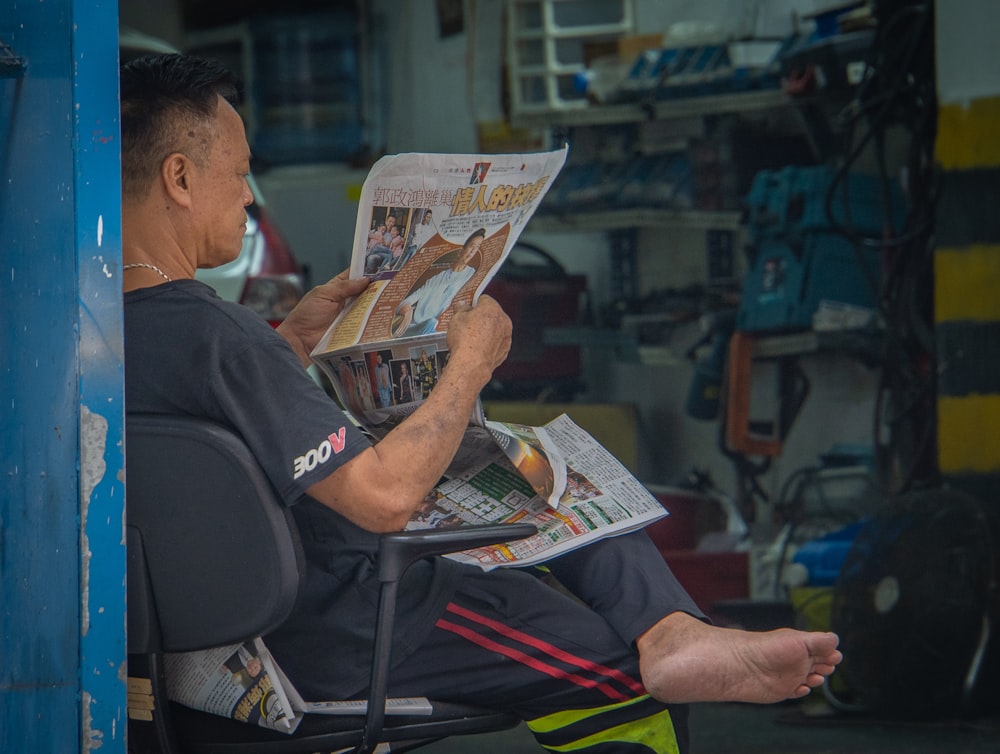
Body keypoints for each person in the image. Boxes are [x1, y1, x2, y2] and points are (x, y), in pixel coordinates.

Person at [120, 53, 842, 754]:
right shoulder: (221, 333)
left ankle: (673, 628)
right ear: (179, 177)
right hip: (353, 621)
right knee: (618, 672)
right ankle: (663, 641)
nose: (249, 196)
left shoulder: (101, 336)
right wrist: (467, 366)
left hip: (223, 630)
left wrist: (294, 344)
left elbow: (213, 429)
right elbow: (383, 500)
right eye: (242, 174)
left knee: (542, 468)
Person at [391, 227, 484, 337]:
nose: (474, 251)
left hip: (440, 330)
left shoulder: (472, 275)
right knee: (429, 324)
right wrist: (406, 309)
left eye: (477, 247)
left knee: (432, 324)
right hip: (417, 327)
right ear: (462, 250)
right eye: (472, 246)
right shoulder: (438, 277)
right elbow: (402, 303)